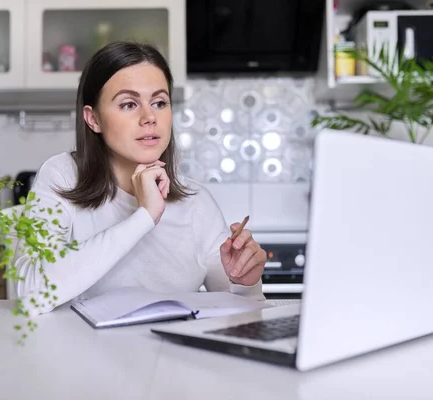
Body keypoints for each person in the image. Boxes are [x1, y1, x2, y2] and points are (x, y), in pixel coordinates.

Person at [14, 41, 267, 315]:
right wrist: (144, 217)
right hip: (81, 356)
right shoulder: (62, 176)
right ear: (93, 119)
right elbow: (30, 294)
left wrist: (245, 282)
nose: (149, 117)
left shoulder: (197, 203)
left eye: (159, 102)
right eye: (129, 104)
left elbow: (244, 315)